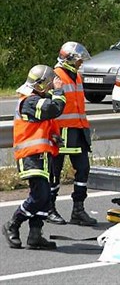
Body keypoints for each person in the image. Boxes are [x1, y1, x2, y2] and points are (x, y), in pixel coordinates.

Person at [3, 65, 66, 250]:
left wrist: (53, 136)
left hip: (42, 155)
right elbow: (55, 109)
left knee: (45, 197)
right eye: (48, 84)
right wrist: (59, 90)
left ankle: (35, 234)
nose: (50, 87)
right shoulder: (30, 101)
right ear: (41, 84)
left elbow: (40, 124)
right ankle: (13, 224)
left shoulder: (36, 99)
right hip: (31, 156)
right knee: (40, 195)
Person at [47, 42, 97, 226]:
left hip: (78, 130)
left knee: (83, 169)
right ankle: (49, 208)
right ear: (69, 60)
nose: (80, 64)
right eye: (78, 61)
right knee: (54, 172)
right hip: (59, 132)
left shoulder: (76, 77)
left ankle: (78, 209)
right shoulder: (54, 76)